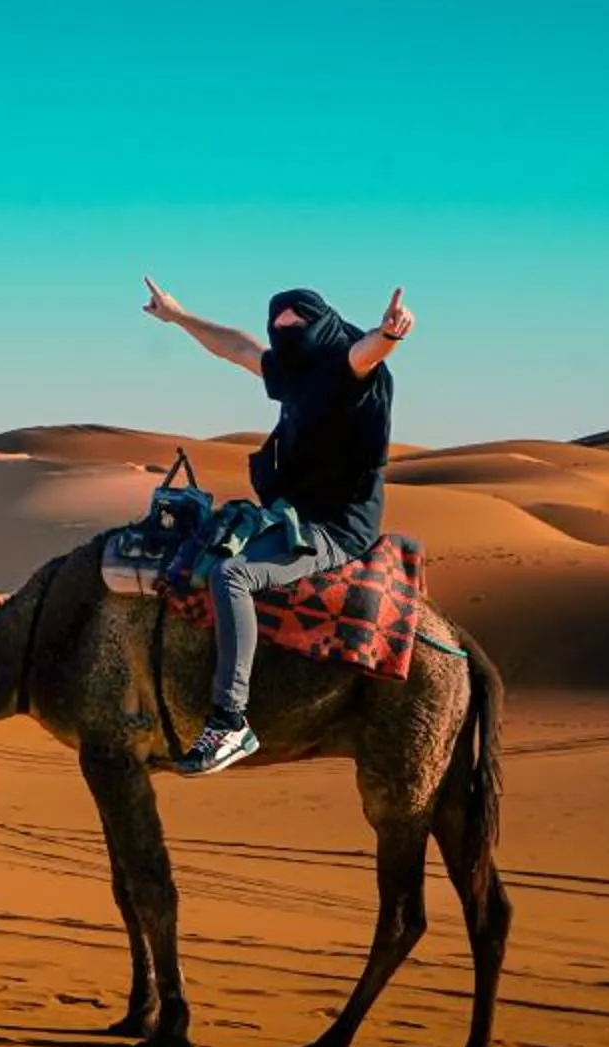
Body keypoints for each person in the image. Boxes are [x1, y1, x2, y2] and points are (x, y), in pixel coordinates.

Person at [141, 275, 415, 775]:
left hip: (335, 527)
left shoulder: (343, 362)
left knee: (233, 574)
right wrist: (178, 316)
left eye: (298, 326)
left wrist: (389, 335)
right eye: (279, 327)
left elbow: (367, 355)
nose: (286, 335)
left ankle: (229, 721)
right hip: (290, 512)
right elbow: (237, 347)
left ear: (324, 325)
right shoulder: (295, 367)